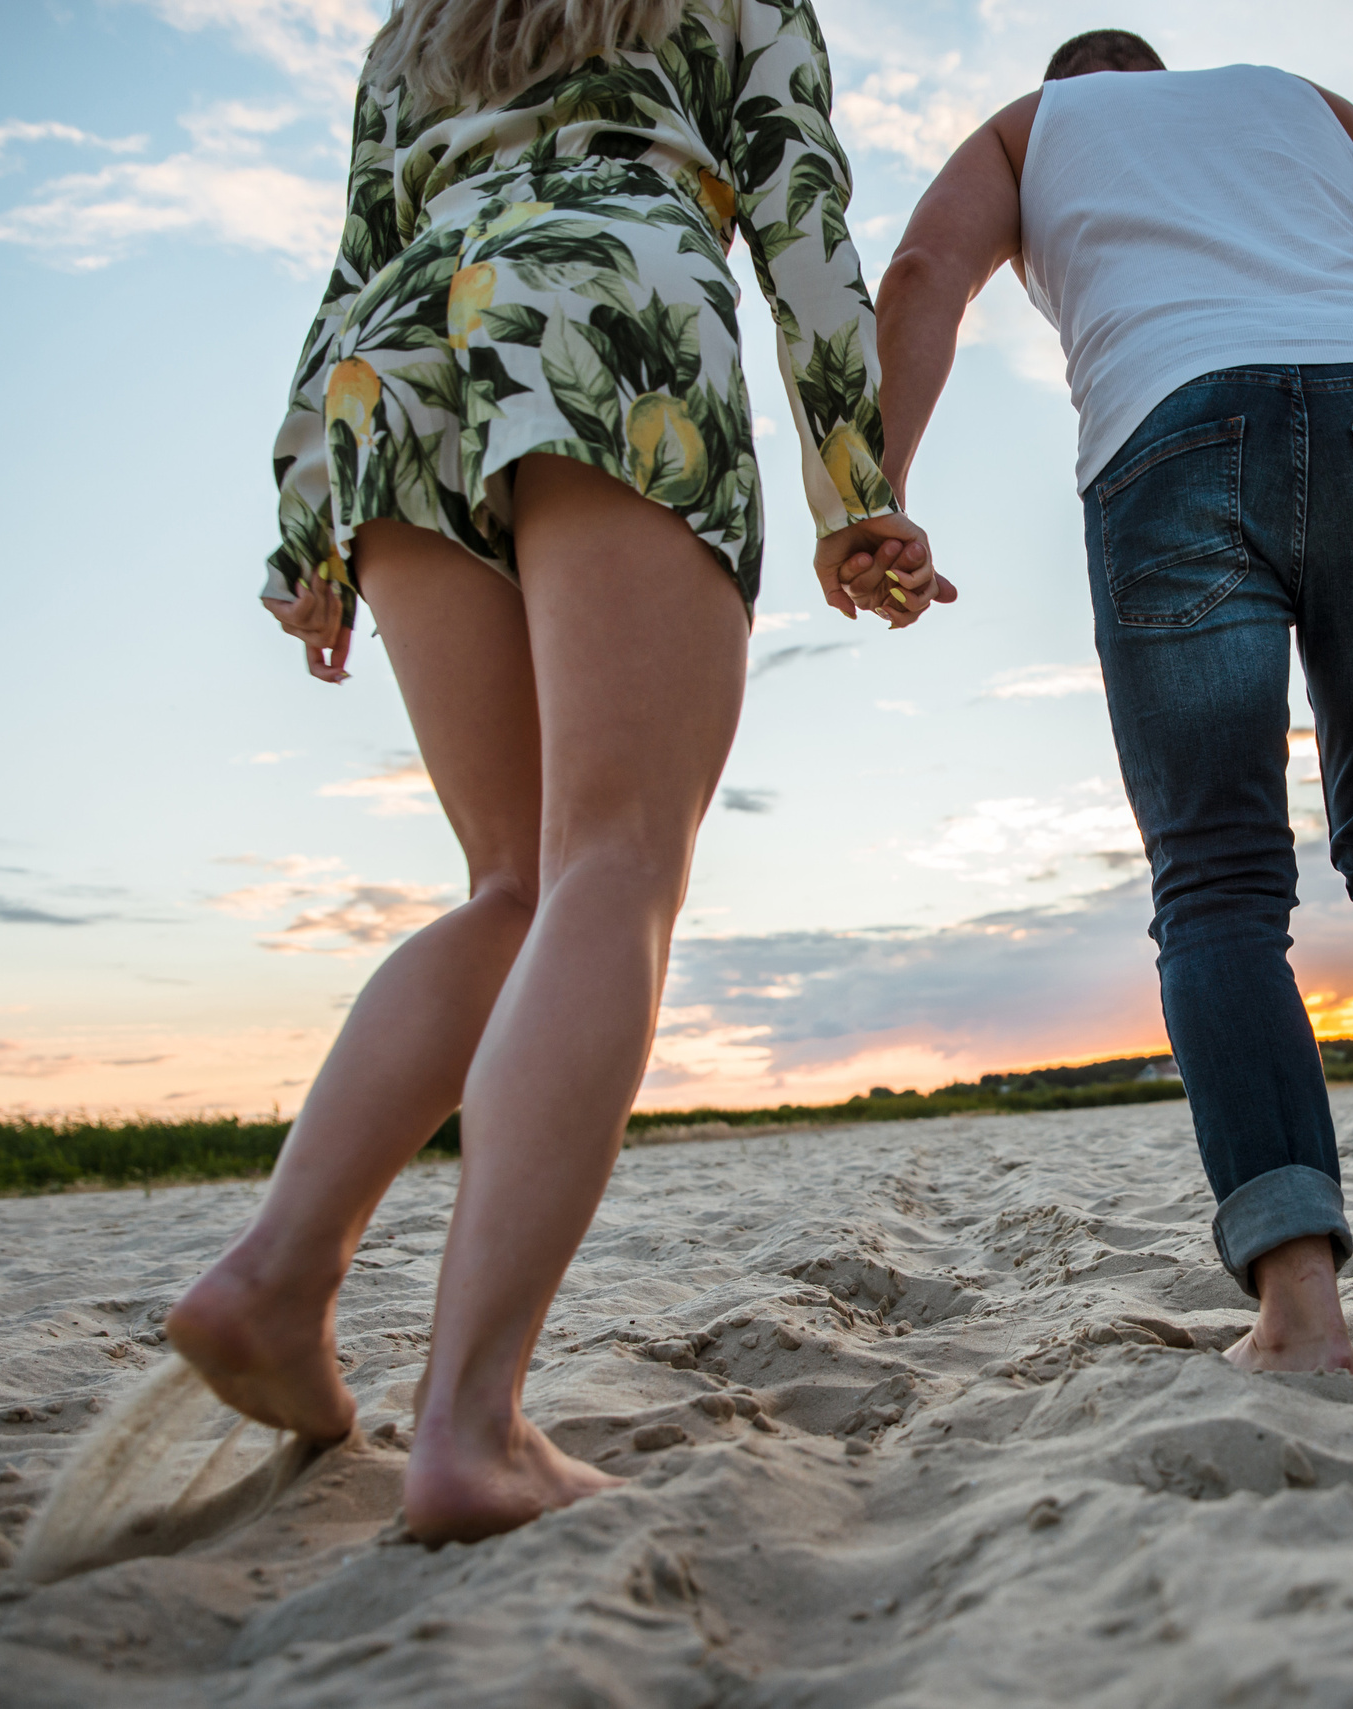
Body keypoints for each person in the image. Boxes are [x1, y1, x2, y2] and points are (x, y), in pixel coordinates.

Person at [166, 0, 942, 1544]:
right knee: (612, 864)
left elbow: (349, 259)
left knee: (511, 883)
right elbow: (799, 207)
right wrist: (861, 486)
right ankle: (470, 1423)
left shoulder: (418, 26)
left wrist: (305, 529)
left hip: (395, 359)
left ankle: (276, 1273)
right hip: (610, 297)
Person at [841, 29, 1353, 1373]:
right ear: (1166, 76)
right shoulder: (1310, 108)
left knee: (1218, 881)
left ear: (1074, 85)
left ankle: (1300, 1301)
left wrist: (874, 488)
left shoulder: (1029, 128)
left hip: (1171, 438)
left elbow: (925, 272)